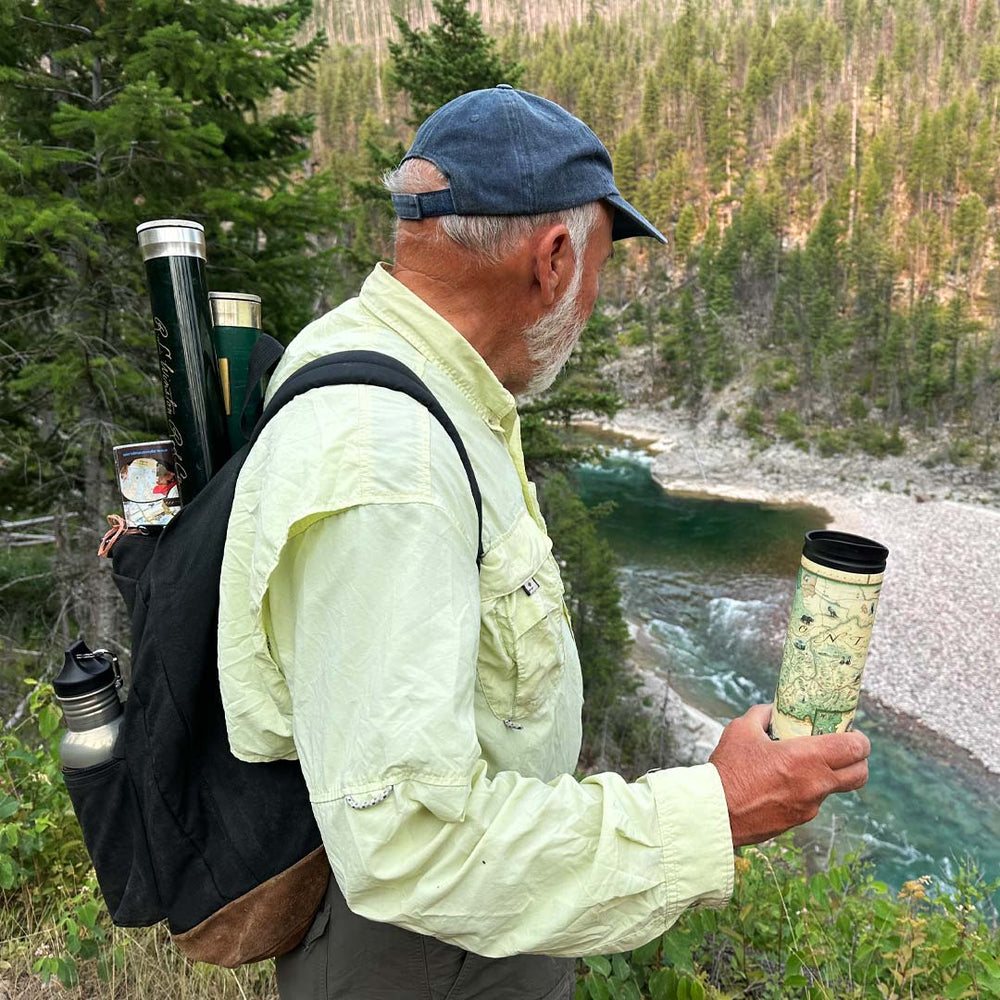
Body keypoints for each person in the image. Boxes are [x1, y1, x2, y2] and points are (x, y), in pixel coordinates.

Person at [217, 86, 870, 1000]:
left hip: (476, 920)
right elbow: (408, 846)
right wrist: (716, 809)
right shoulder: (387, 463)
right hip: (417, 956)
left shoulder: (407, 371)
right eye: (604, 265)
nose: (595, 298)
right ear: (555, 258)